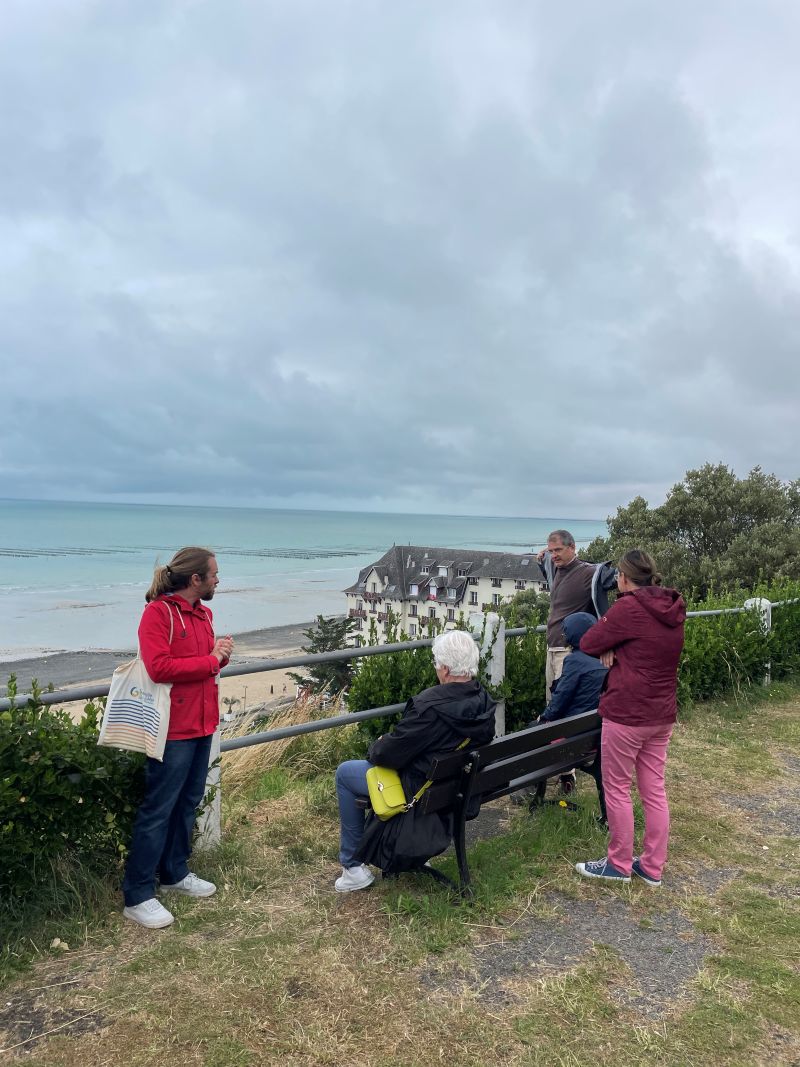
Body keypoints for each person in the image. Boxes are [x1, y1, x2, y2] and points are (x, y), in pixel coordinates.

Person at [333, 630, 496, 892]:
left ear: (444, 668)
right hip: (454, 789)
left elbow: (387, 755)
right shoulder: (483, 699)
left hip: (417, 789)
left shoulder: (429, 707)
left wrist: (379, 743)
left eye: (435, 664)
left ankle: (353, 868)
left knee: (345, 774)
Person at [122, 547, 234, 928]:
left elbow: (204, 665)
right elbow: (158, 668)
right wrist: (212, 660)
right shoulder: (157, 614)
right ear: (195, 579)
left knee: (188, 802)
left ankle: (173, 873)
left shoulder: (204, 614)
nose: (219, 579)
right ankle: (137, 894)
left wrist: (220, 655)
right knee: (158, 809)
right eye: (214, 574)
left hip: (203, 725)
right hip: (171, 731)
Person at [575, 549, 685, 887]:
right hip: (661, 713)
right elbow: (646, 646)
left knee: (617, 788)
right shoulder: (674, 608)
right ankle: (652, 866)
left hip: (626, 713)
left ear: (623, 579)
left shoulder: (627, 608)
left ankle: (618, 863)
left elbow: (588, 641)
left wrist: (613, 645)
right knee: (654, 789)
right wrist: (619, 647)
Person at [536, 531, 616, 791]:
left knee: (564, 711)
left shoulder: (587, 573)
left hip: (570, 653)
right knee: (553, 703)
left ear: (572, 547)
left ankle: (566, 773)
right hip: (553, 648)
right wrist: (542, 561)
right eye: (550, 551)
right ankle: (560, 767)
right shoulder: (555, 569)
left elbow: (611, 579)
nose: (554, 555)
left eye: (558, 550)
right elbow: (550, 573)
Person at [532, 612, 608, 823]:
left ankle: (529, 789)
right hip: (594, 740)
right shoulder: (604, 661)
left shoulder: (575, 661)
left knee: (531, 731)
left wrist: (543, 718)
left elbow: (559, 702)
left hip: (571, 740)